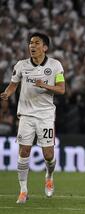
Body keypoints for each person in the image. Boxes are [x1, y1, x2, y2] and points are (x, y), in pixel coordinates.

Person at [0, 32, 65, 203]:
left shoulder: (55, 65)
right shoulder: (21, 65)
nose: (32, 46)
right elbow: (13, 85)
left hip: (45, 115)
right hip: (26, 115)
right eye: (30, 43)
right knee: (24, 151)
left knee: (48, 154)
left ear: (45, 47)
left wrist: (44, 85)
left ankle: (49, 176)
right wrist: (7, 94)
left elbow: (62, 89)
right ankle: (23, 190)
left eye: (36, 43)